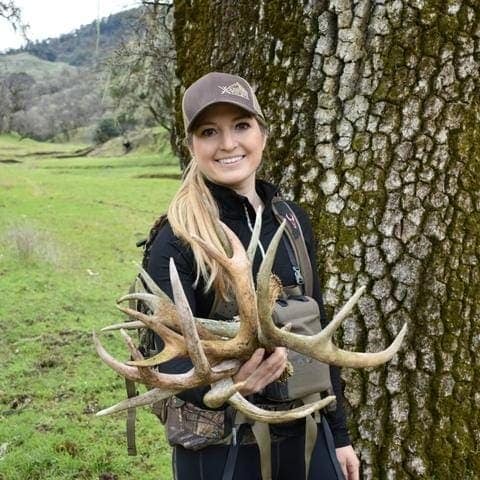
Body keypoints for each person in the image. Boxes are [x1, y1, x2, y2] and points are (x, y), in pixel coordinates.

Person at [146, 72, 360, 480]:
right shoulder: (175, 240)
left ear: (262, 133)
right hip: (224, 451)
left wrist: (341, 435)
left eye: (241, 126)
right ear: (192, 146)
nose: (228, 144)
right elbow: (165, 362)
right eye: (210, 132)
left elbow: (318, 336)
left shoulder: (292, 221)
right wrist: (229, 382)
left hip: (308, 436)